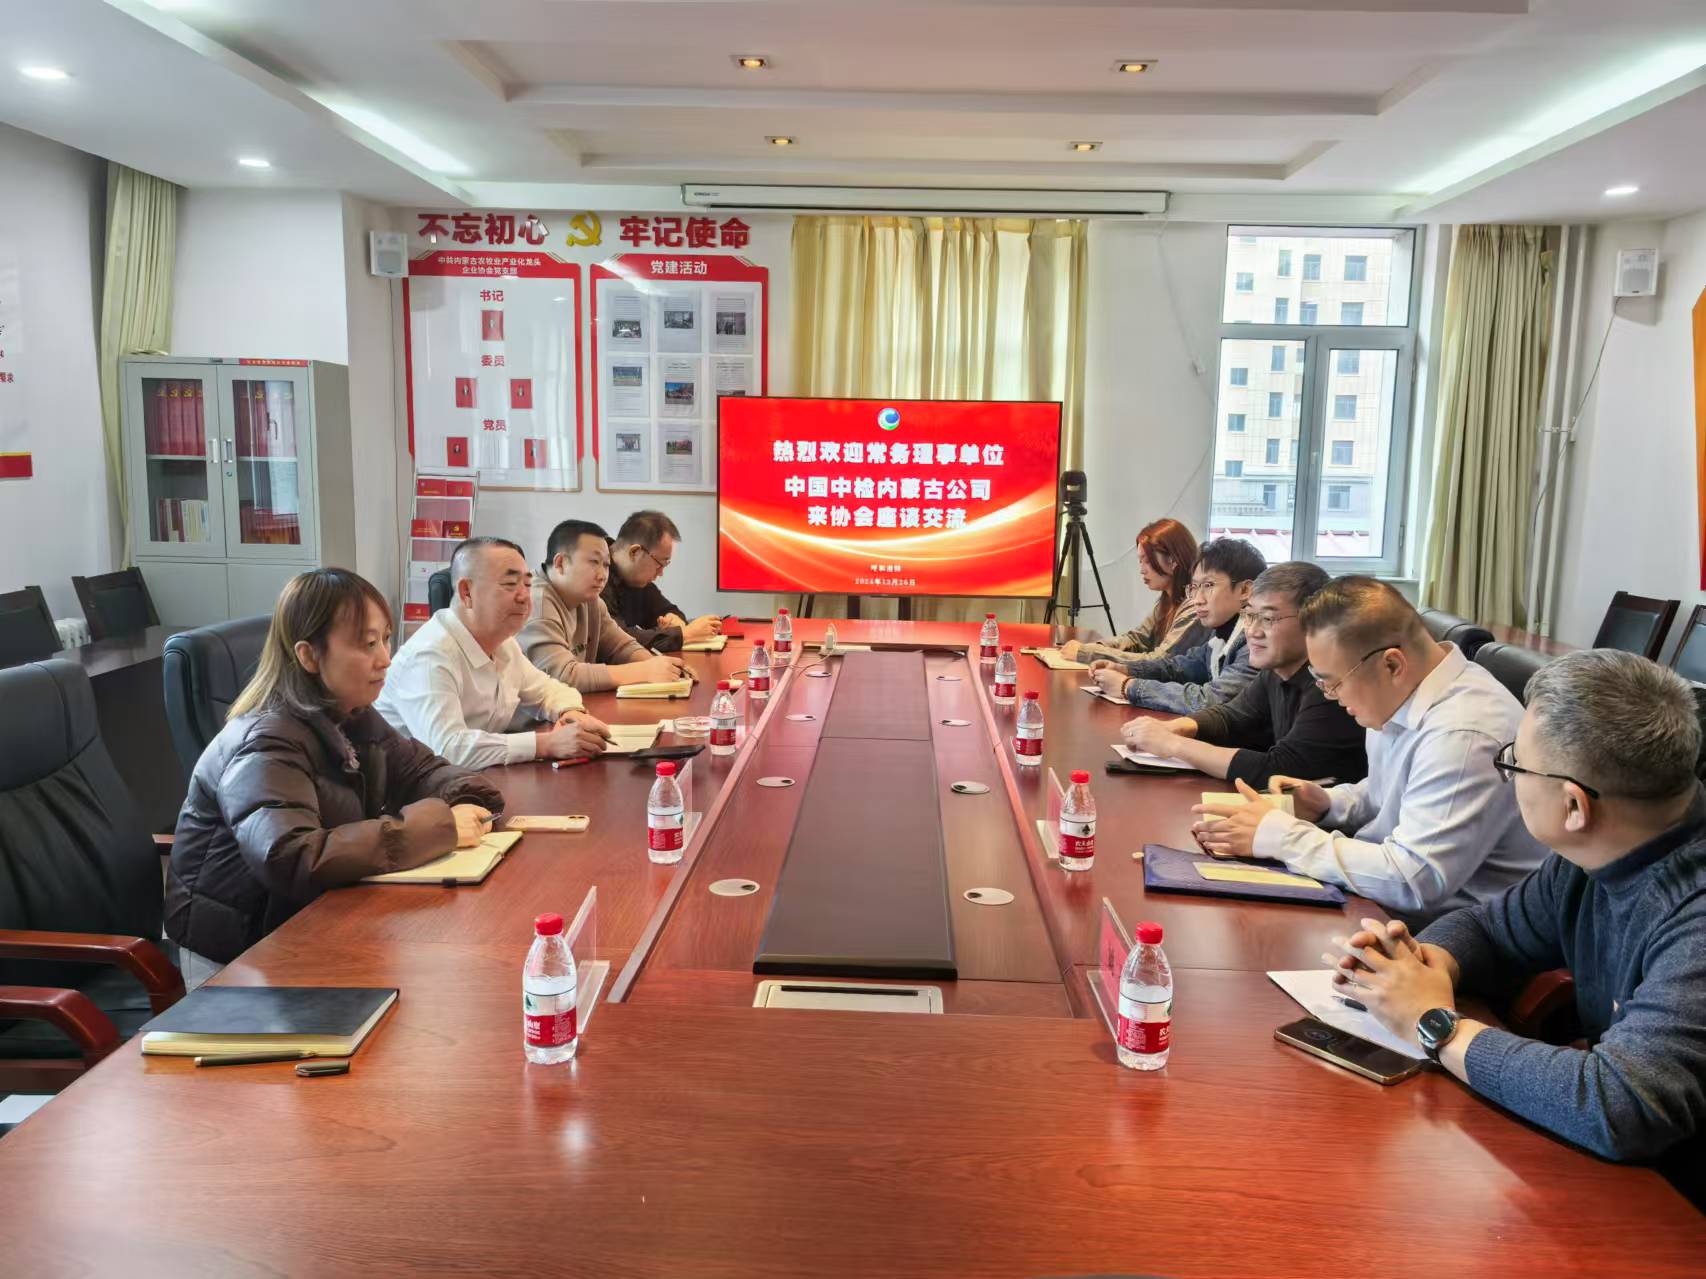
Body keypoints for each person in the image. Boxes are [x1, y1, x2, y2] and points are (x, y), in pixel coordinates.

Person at [1327, 651, 1706, 1207]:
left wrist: (1434, 1024)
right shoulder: (1599, 851)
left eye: (1514, 764)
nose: (1507, 775)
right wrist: (1421, 965)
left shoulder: (1693, 918)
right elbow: (1490, 927)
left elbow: (1623, 1105)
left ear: (1573, 806)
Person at [165, 569, 506, 967]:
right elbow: (291, 856)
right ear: (309, 655)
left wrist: (467, 800)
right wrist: (441, 827)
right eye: (368, 644)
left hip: (310, 922)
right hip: (239, 958)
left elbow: (420, 770)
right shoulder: (265, 742)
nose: (385, 659)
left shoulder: (350, 712)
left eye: (386, 639)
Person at [1191, 577, 1547, 922]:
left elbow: (1414, 881)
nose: (1331, 696)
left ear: (1392, 664)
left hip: (1447, 927)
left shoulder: (1463, 734)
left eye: (1334, 683)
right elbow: (1389, 793)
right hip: (1383, 897)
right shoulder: (1404, 692)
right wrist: (1328, 803)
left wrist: (1282, 838)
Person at [1119, 561, 1367, 789]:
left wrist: (1174, 745)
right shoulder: (1274, 671)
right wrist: (1174, 728)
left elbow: (1283, 768)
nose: (1253, 631)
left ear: (1312, 621)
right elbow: (1232, 717)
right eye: (1249, 616)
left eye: (1268, 618)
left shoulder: (1329, 684)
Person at [377, 536, 612, 768]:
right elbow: (447, 748)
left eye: (527, 585)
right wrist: (546, 744)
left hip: (475, 778)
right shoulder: (429, 656)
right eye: (510, 584)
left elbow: (547, 690)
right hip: (414, 787)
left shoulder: (503, 643)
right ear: (467, 592)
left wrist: (571, 712)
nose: (524, 597)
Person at [1087, 537, 1264, 713]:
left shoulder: (1255, 642)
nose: (1197, 599)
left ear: (1245, 590)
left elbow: (1209, 701)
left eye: (1208, 585)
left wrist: (1128, 686)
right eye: (1194, 587)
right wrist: (1126, 669)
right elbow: (1180, 667)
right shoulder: (1221, 632)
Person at [519, 518, 695, 691]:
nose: (602, 575)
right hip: (541, 711)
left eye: (606, 565)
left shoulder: (590, 599)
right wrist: (645, 671)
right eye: (594, 562)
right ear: (561, 563)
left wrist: (662, 666)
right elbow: (563, 676)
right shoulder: (535, 603)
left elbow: (621, 646)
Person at [1062, 518, 1205, 663]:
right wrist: (1095, 648)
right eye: (1140, 561)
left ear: (1173, 561)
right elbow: (1136, 639)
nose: (1142, 570)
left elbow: (1159, 661)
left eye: (1147, 561)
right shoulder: (1167, 601)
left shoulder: (1195, 607)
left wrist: (1087, 653)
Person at [603, 510, 721, 652]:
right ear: (635, 552)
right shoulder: (597, 578)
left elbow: (668, 610)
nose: (661, 573)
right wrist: (685, 634)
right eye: (659, 564)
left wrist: (674, 620)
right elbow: (617, 640)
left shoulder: (637, 580)